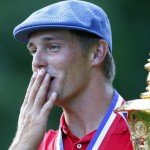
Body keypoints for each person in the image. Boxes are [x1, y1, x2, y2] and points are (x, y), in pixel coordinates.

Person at [9, 0, 133, 150]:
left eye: (53, 47)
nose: (36, 62)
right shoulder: (36, 145)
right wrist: (22, 143)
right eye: (34, 50)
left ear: (96, 53)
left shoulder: (143, 132)